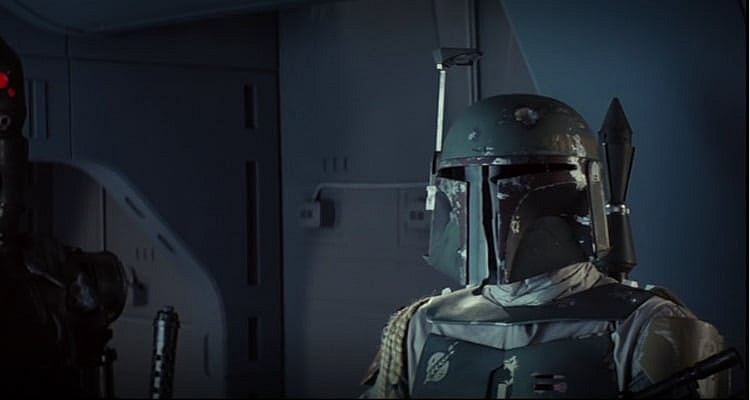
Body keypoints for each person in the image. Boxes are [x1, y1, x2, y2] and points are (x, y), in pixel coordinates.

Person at [360, 94, 730, 398]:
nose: (490, 199)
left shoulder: (645, 326)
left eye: (513, 176)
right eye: (468, 177)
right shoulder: (420, 326)